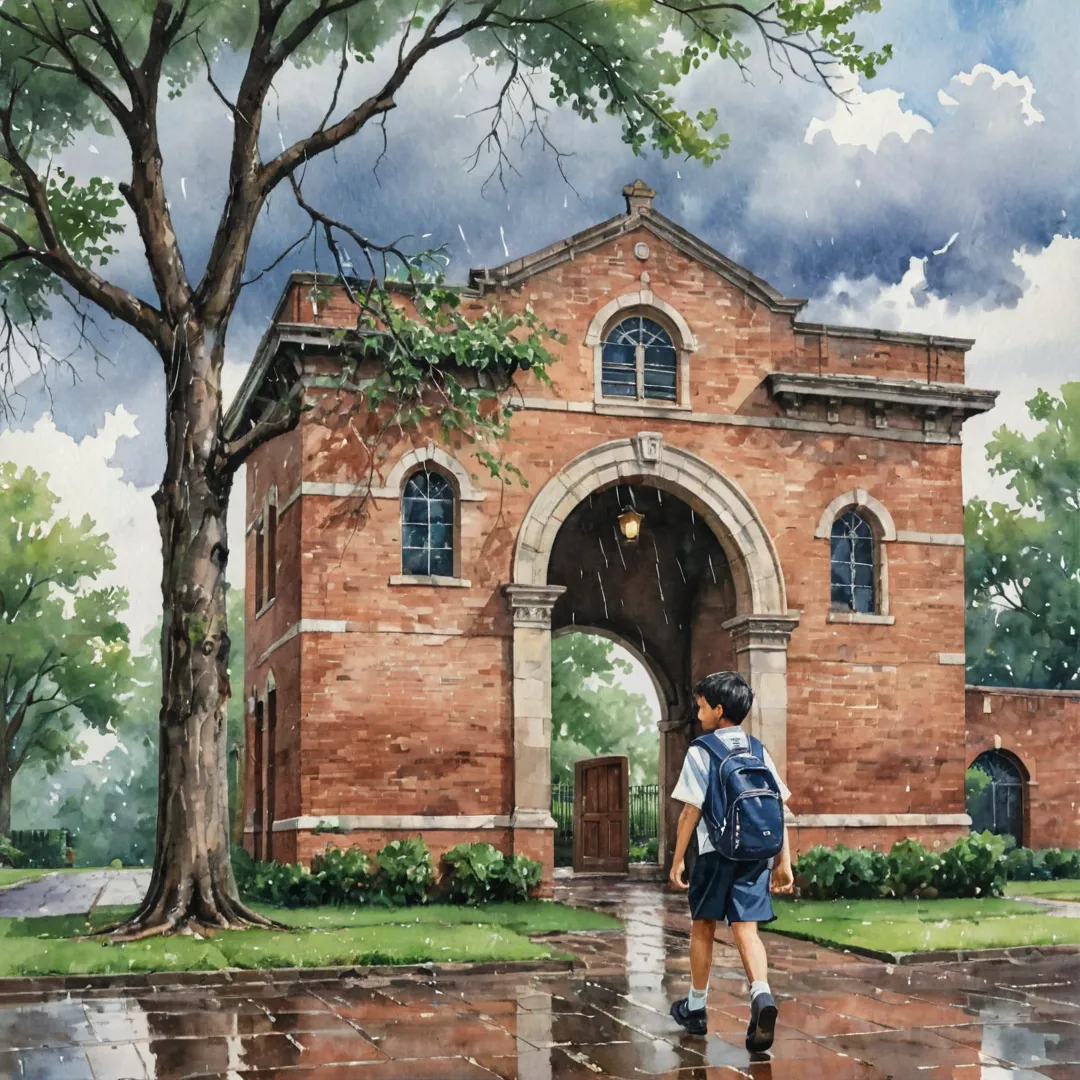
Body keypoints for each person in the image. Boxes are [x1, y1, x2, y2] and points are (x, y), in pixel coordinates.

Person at [668, 670, 794, 1052]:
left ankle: (696, 1007)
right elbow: (776, 808)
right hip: (755, 856)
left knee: (703, 926)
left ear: (719, 710)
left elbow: (690, 812)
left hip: (714, 854)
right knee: (747, 929)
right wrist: (782, 861)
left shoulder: (702, 750)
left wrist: (677, 860)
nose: (698, 711)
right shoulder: (758, 750)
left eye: (702, 705)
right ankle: (761, 994)